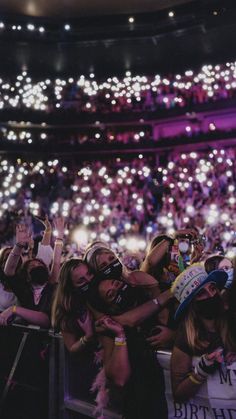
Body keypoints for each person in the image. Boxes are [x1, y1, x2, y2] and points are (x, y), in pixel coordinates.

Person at [170, 263, 234, 402]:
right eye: (201, 293)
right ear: (192, 304)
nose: (211, 295)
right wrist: (201, 371)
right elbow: (178, 394)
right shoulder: (186, 336)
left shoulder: (232, 319)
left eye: (212, 288)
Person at [0, 218, 65, 327]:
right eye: (32, 266)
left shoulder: (51, 285)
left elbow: (56, 262)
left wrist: (59, 238)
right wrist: (19, 245)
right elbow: (9, 271)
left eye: (40, 265)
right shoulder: (24, 290)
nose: (37, 266)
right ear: (26, 275)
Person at [51, 258, 95, 353]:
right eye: (81, 281)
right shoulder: (68, 309)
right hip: (88, 360)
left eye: (89, 274)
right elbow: (71, 347)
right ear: (70, 287)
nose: (89, 280)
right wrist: (88, 336)